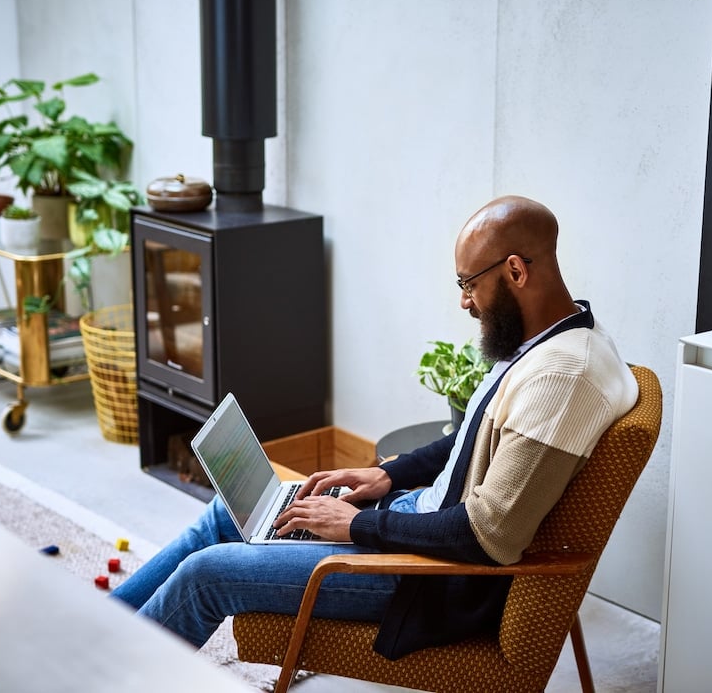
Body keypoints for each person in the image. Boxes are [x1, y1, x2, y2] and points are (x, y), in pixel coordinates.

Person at [111, 195, 638, 660]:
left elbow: (488, 536)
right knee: (229, 514)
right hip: (415, 522)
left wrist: (354, 525)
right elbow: (474, 440)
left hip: (425, 578)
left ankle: (95, 675)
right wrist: (386, 479)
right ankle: (91, 631)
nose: (464, 301)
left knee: (209, 574)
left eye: (468, 284)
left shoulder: (564, 378)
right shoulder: (548, 337)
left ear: (517, 271)